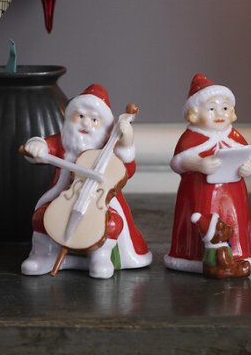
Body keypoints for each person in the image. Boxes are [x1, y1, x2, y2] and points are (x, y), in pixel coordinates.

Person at [19, 84, 152, 278]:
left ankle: (100, 258)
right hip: (62, 197)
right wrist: (36, 146)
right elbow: (43, 148)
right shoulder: (64, 142)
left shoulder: (107, 147)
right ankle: (44, 256)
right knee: (43, 216)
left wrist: (126, 143)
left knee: (111, 223)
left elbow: (127, 171)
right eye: (80, 116)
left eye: (94, 120)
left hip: (99, 202)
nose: (86, 124)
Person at [165, 73, 251, 274]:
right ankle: (192, 255)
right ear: (194, 113)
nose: (220, 114)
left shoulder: (233, 135)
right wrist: (199, 164)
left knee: (234, 219)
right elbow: (178, 162)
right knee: (200, 218)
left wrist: (247, 167)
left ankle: (239, 252)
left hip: (233, 193)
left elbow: (248, 156)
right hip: (199, 192)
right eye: (211, 108)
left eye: (225, 108)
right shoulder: (191, 137)